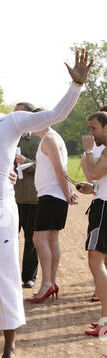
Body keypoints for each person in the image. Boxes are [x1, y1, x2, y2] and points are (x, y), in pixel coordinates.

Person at [0, 49, 93, 358]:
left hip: (1, 207)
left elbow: (55, 114)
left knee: (5, 277)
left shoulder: (12, 121)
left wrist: (75, 86)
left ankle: (9, 349)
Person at [26, 114, 78, 303]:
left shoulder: (49, 138)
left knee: (38, 238)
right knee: (51, 239)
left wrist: (67, 193)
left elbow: (59, 169)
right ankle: (51, 282)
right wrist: (67, 192)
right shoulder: (52, 138)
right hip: (53, 195)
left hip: (51, 195)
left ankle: (47, 283)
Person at [77, 111, 107, 337]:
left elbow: (95, 171)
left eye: (94, 128)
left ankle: (106, 316)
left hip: (104, 209)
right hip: (102, 202)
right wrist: (93, 189)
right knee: (97, 259)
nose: (90, 133)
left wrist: (88, 151)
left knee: (95, 259)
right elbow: (98, 178)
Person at [14, 102, 40, 288]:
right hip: (10, 197)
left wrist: (26, 162)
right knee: (6, 239)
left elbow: (48, 166)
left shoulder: (40, 139)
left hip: (32, 197)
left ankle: (28, 277)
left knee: (31, 240)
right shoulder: (9, 137)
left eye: (20, 115)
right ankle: (8, 276)